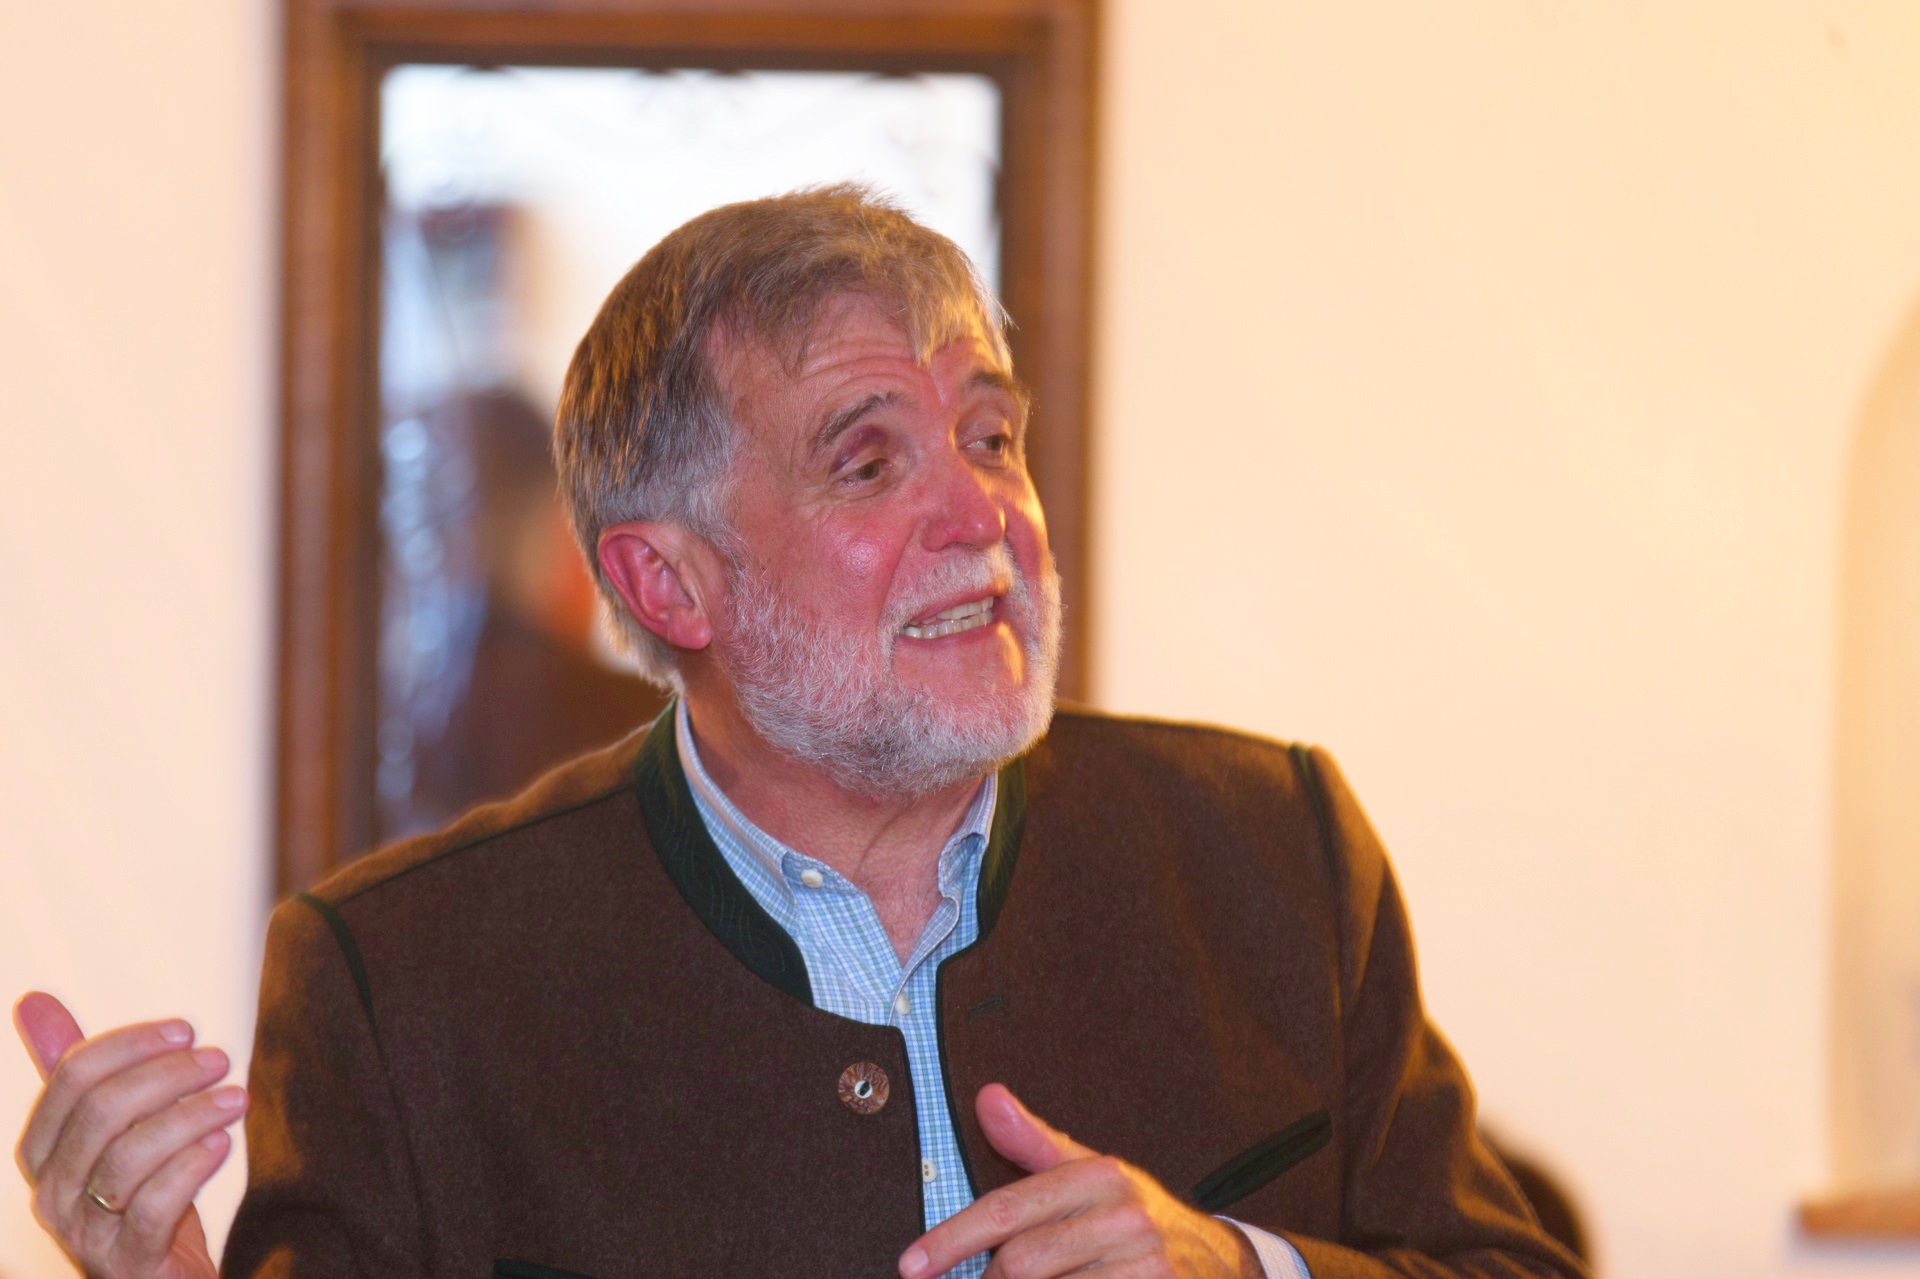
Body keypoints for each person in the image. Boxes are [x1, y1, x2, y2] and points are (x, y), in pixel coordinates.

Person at [13, 186, 1588, 1279]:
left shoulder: (1272, 848)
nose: (984, 515)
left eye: (991, 435)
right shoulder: (402, 981)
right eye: (869, 463)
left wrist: (1240, 1267)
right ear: (667, 582)